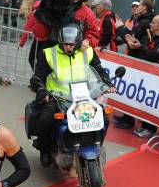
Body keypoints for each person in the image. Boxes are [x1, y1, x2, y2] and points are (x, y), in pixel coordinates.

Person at [30, 23, 114, 167]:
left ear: (78, 42)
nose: (68, 47)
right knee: (45, 121)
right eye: (66, 44)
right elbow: (38, 77)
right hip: (58, 98)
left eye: (71, 44)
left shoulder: (87, 52)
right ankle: (44, 150)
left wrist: (108, 83)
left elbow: (100, 70)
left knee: (104, 119)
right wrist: (42, 91)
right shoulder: (49, 53)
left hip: (85, 96)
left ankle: (95, 144)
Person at [124, 14, 159, 139]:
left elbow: (153, 56)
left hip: (157, 79)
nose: (150, 24)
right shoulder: (149, 37)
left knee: (152, 104)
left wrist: (141, 47)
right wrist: (132, 45)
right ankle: (144, 124)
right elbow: (140, 53)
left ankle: (150, 128)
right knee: (144, 102)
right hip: (144, 76)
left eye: (154, 22)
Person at [114, 0, 156, 130]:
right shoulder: (140, 20)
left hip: (140, 60)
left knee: (139, 91)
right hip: (135, 58)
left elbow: (131, 39)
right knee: (131, 89)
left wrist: (121, 28)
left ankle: (141, 124)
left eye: (140, 5)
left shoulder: (144, 22)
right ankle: (128, 118)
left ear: (145, 7)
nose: (137, 7)